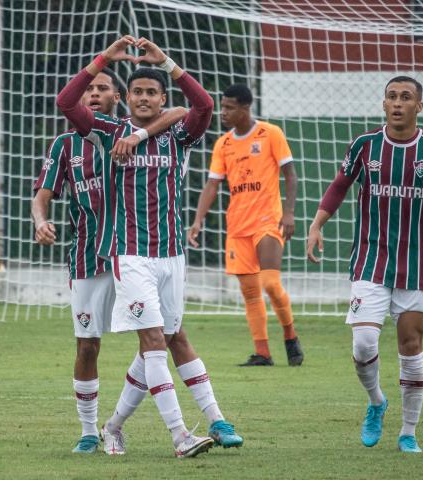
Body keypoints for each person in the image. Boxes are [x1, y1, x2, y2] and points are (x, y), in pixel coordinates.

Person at [56, 35, 242, 458]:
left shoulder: (178, 134)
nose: (143, 97)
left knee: (168, 337)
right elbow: (67, 103)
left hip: (172, 252)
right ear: (128, 98)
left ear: (161, 97)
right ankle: (181, 435)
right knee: (155, 340)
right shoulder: (109, 131)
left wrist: (169, 62)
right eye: (137, 91)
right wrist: (104, 59)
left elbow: (204, 106)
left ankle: (114, 425)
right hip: (130, 253)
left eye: (151, 92)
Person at [306, 76, 423, 453]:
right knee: (363, 345)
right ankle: (377, 401)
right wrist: (317, 224)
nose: (397, 103)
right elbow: (339, 185)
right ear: (383, 104)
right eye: (392, 97)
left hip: (415, 266)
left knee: (410, 346)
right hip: (370, 261)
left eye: (406, 97)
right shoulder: (365, 145)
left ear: (419, 107)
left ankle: (408, 432)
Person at [32, 66, 187, 454]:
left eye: (103, 88)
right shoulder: (66, 145)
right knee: (87, 346)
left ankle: (126, 423)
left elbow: (181, 111)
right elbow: (42, 195)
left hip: (134, 250)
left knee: (163, 337)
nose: (94, 93)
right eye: (89, 88)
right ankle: (90, 430)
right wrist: (40, 220)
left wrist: (139, 133)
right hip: (88, 258)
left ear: (119, 98)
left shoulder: (127, 133)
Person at [188, 84, 303, 367]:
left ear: (245, 108)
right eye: (222, 106)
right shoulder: (223, 144)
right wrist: (198, 220)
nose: (223, 112)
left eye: (229, 107)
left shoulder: (270, 133)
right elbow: (212, 184)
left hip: (268, 220)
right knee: (250, 292)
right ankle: (262, 352)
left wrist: (289, 213)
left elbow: (290, 174)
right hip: (238, 225)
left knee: (270, 283)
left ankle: (290, 334)